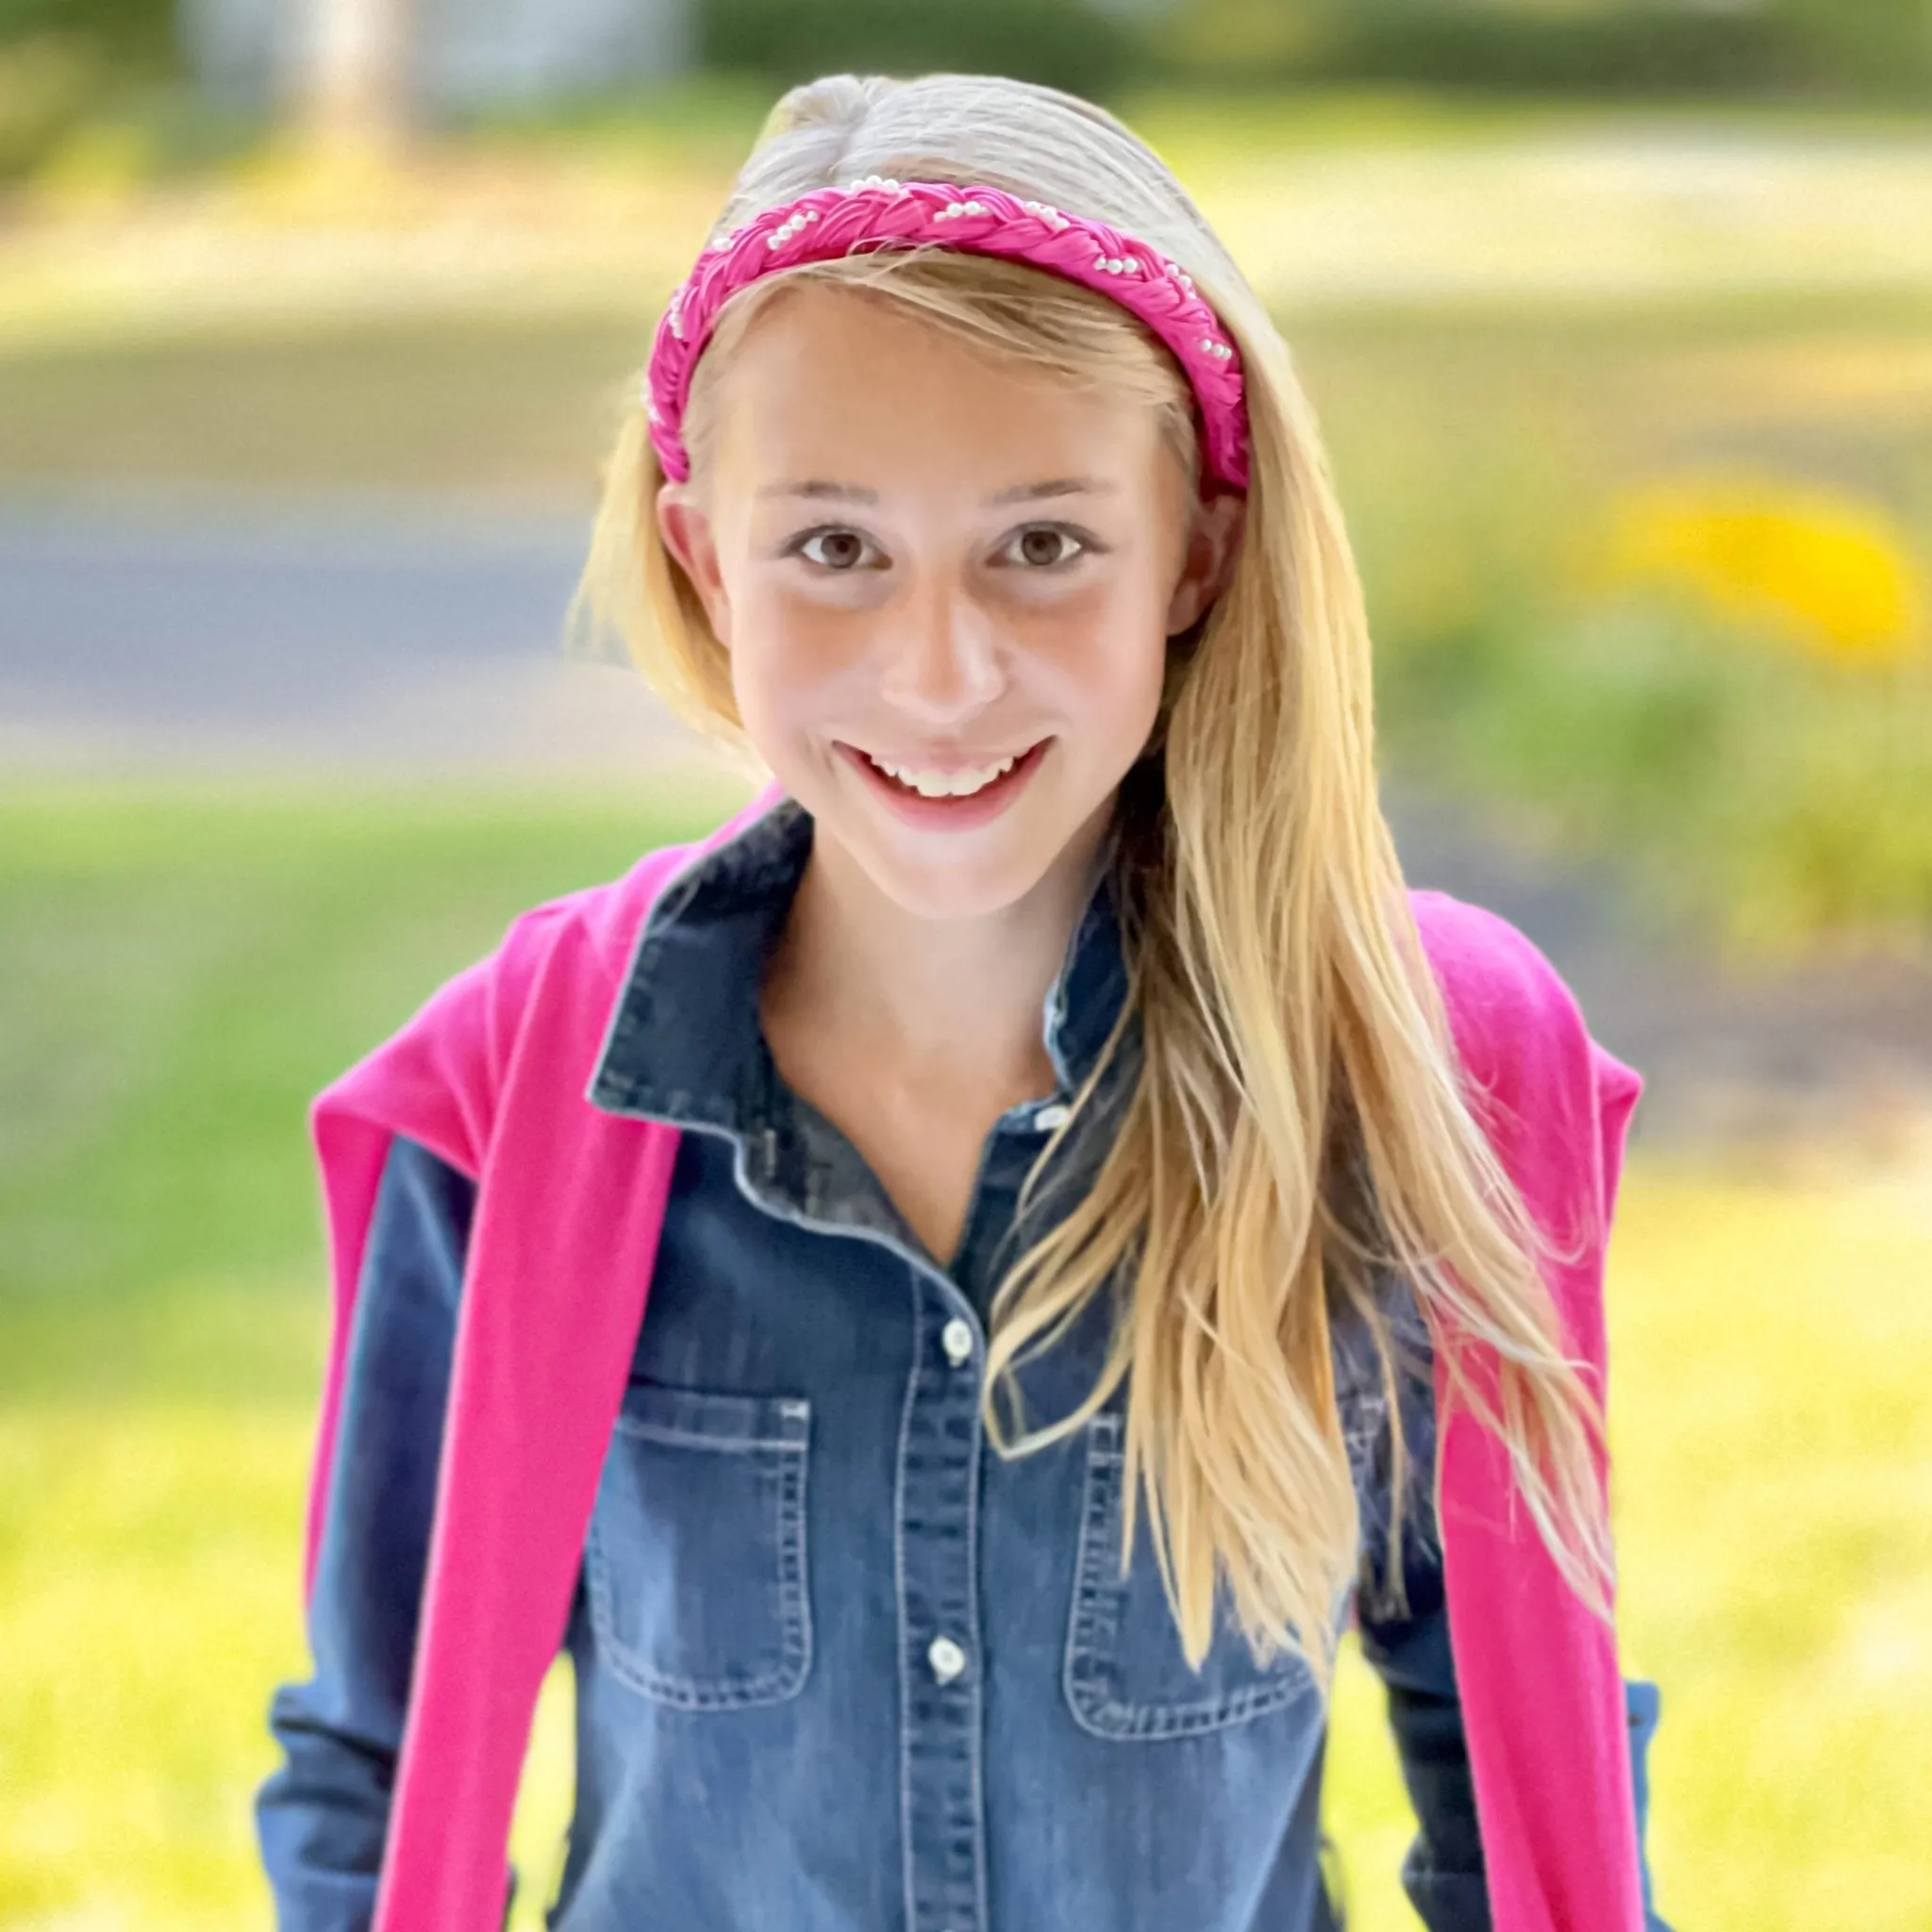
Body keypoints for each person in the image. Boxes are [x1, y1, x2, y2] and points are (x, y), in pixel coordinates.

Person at [255, 70, 1671, 1932]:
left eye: (1042, 542)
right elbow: (376, 1753)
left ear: (1196, 554)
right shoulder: (526, 1096)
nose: (939, 671)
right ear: (705, 558)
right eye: (834, 548)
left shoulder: (1415, 1082)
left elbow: (1518, 1766)